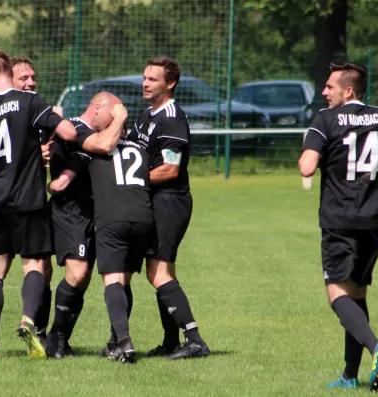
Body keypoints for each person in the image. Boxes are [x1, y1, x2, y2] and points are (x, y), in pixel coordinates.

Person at [298, 61, 378, 391]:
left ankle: (376, 346)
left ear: (347, 90)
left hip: (339, 221)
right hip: (372, 221)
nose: (324, 92)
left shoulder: (325, 120)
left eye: (329, 87)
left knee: (337, 295)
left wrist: (313, 153)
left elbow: (307, 168)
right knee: (357, 295)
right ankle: (350, 375)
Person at [0, 48, 77, 359]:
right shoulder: (30, 103)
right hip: (29, 198)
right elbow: (67, 131)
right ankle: (28, 319)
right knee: (35, 265)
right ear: (8, 73)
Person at [114, 56, 209, 360]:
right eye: (144, 77)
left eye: (153, 79)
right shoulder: (145, 116)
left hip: (170, 201)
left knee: (157, 271)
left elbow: (169, 170)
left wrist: (131, 182)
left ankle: (194, 340)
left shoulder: (172, 118)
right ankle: (171, 341)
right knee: (163, 272)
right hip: (152, 201)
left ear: (170, 83)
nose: (145, 83)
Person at [49, 119, 153, 364]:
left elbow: (62, 183)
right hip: (142, 217)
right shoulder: (139, 148)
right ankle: (112, 342)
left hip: (109, 220)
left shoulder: (91, 150)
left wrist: (50, 186)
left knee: (113, 281)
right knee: (123, 281)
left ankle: (115, 341)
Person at [44, 92, 128, 359]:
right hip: (71, 210)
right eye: (112, 112)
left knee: (91, 277)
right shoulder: (78, 128)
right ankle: (55, 337)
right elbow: (103, 145)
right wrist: (121, 118)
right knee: (78, 273)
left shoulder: (95, 133)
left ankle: (66, 341)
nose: (116, 117)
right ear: (98, 107)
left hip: (97, 212)